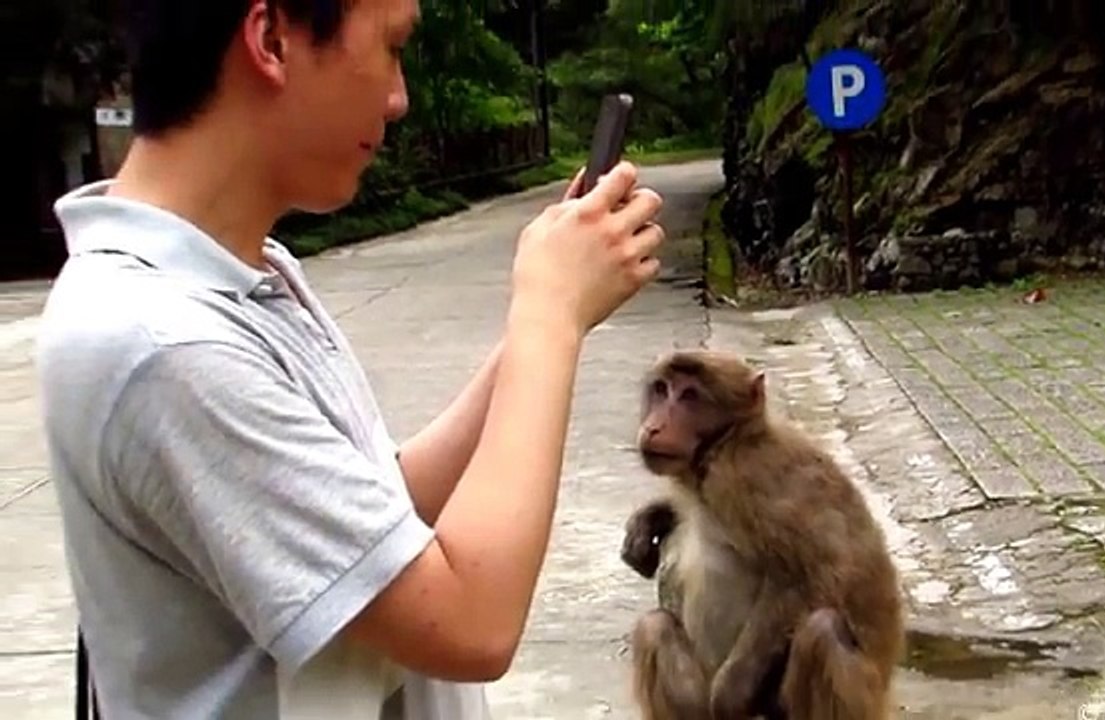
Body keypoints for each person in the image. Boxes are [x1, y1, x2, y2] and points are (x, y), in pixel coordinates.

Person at [35, 0, 665, 717]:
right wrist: (548, 315)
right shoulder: (163, 340)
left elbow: (375, 511)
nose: (399, 99)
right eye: (392, 48)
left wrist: (550, 315)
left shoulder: (245, 273)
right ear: (272, 39)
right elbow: (470, 622)